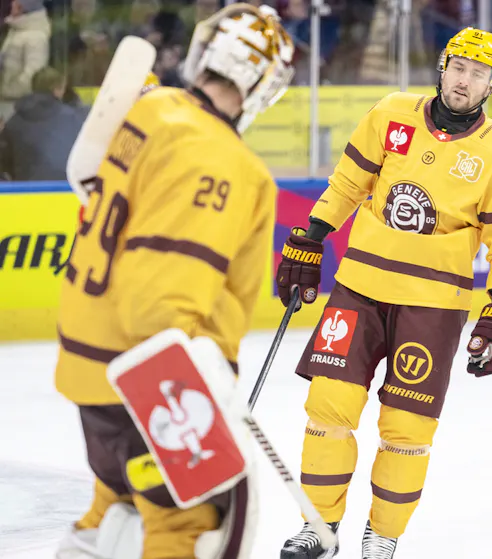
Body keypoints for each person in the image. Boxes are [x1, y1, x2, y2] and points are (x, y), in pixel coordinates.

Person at [277, 27, 492, 559]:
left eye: (479, 74)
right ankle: (318, 529)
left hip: (433, 306)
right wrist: (311, 236)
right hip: (358, 288)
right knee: (328, 407)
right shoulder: (392, 112)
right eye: (459, 68)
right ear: (442, 68)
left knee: (406, 429)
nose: (465, 82)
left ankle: (382, 535)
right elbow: (348, 183)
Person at [53, 5, 294, 558]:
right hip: (150, 385)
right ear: (264, 84)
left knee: (113, 511)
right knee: (188, 529)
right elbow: (163, 298)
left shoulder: (152, 109)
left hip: (93, 373)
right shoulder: (221, 158)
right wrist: (203, 398)